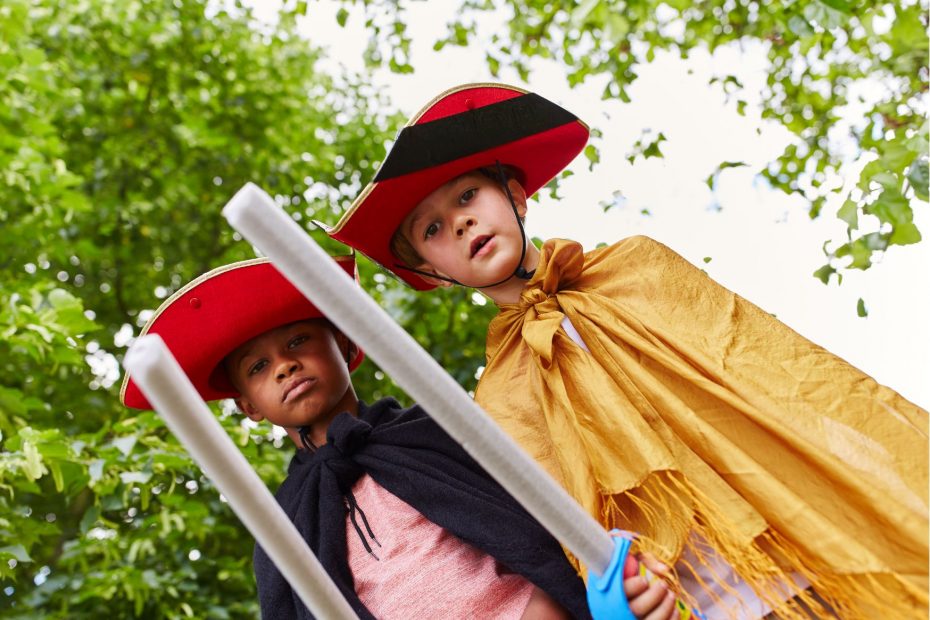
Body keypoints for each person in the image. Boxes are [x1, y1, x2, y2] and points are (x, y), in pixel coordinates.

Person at [322, 82, 929, 619]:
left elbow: (773, 373)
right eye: (430, 230)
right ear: (432, 268)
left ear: (515, 195)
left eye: (466, 197)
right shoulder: (500, 395)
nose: (456, 224)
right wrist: (619, 589)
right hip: (704, 589)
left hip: (797, 520)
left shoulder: (638, 265)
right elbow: (574, 521)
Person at [120, 256, 678, 620]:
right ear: (247, 406)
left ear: (347, 345)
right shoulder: (282, 524)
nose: (285, 367)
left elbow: (539, 527)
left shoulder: (438, 430)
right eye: (258, 368)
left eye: (297, 342)